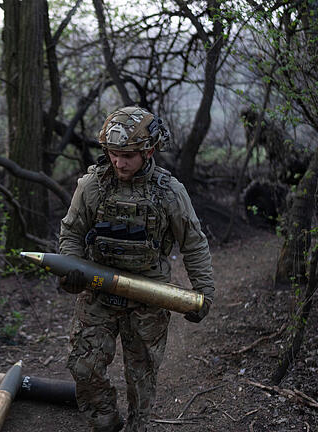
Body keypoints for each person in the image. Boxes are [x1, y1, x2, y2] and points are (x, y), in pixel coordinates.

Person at [59, 106, 215, 432]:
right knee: (84, 366)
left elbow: (194, 243)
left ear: (149, 151)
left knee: (141, 378)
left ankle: (138, 426)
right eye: (113, 154)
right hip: (99, 288)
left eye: (128, 155)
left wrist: (204, 292)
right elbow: (72, 232)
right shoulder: (92, 186)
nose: (119, 162)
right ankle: (105, 422)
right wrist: (70, 270)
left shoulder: (169, 192)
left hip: (148, 295)